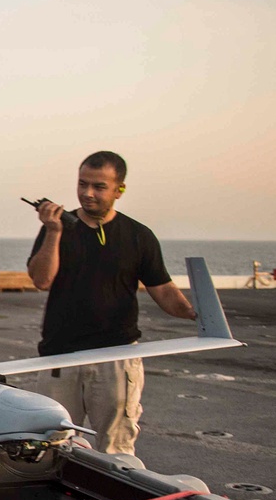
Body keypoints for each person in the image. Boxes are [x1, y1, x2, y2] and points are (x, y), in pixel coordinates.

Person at [27, 151, 196, 456]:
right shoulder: (55, 229)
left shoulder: (138, 236)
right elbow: (42, 280)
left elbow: (164, 290)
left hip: (116, 358)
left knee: (117, 448)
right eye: (82, 184)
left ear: (120, 190)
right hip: (59, 356)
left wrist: (198, 314)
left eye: (99, 186)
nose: (87, 193)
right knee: (51, 445)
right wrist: (54, 232)